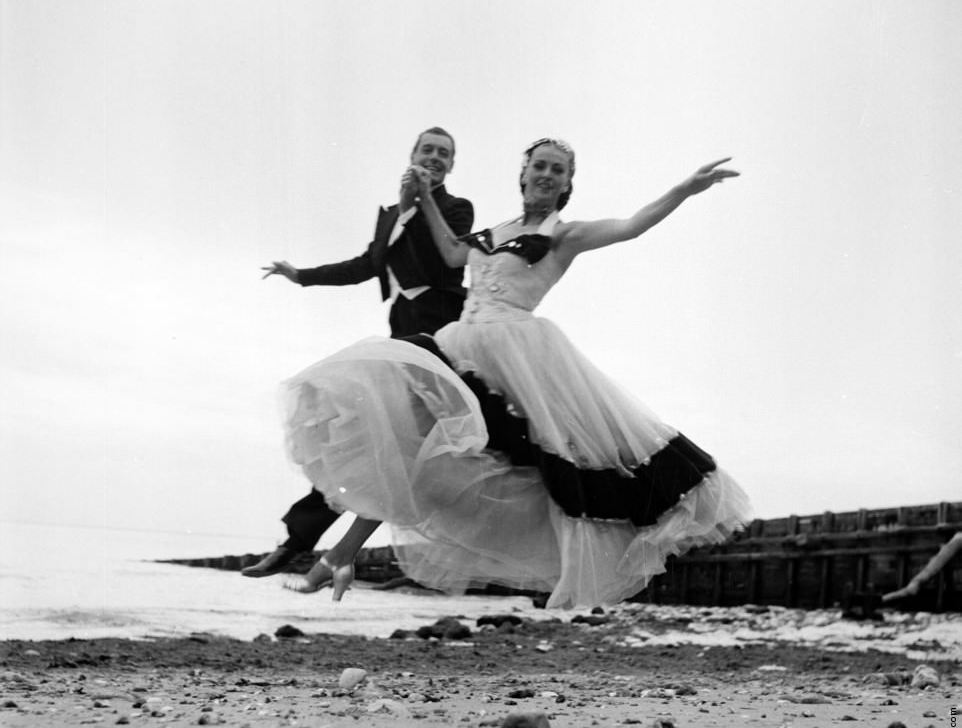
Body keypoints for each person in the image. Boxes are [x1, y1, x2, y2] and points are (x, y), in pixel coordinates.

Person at [278, 138, 752, 608]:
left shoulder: (564, 235)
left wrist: (684, 189)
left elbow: (630, 226)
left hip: (514, 357)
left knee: (547, 465)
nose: (547, 174)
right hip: (458, 343)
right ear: (523, 174)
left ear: (567, 183)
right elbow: (448, 253)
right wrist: (422, 198)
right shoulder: (495, 230)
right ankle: (340, 555)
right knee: (408, 438)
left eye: (558, 170)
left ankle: (339, 556)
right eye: (540, 166)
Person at [240, 127, 474, 577]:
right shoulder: (388, 215)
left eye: (444, 154)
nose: (435, 158)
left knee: (398, 442)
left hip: (443, 333)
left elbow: (444, 258)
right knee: (351, 433)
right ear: (411, 154)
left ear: (452, 165)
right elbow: (367, 265)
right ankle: (296, 542)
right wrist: (301, 275)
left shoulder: (456, 209)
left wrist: (422, 201)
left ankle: (414, 558)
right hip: (401, 333)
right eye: (428, 150)